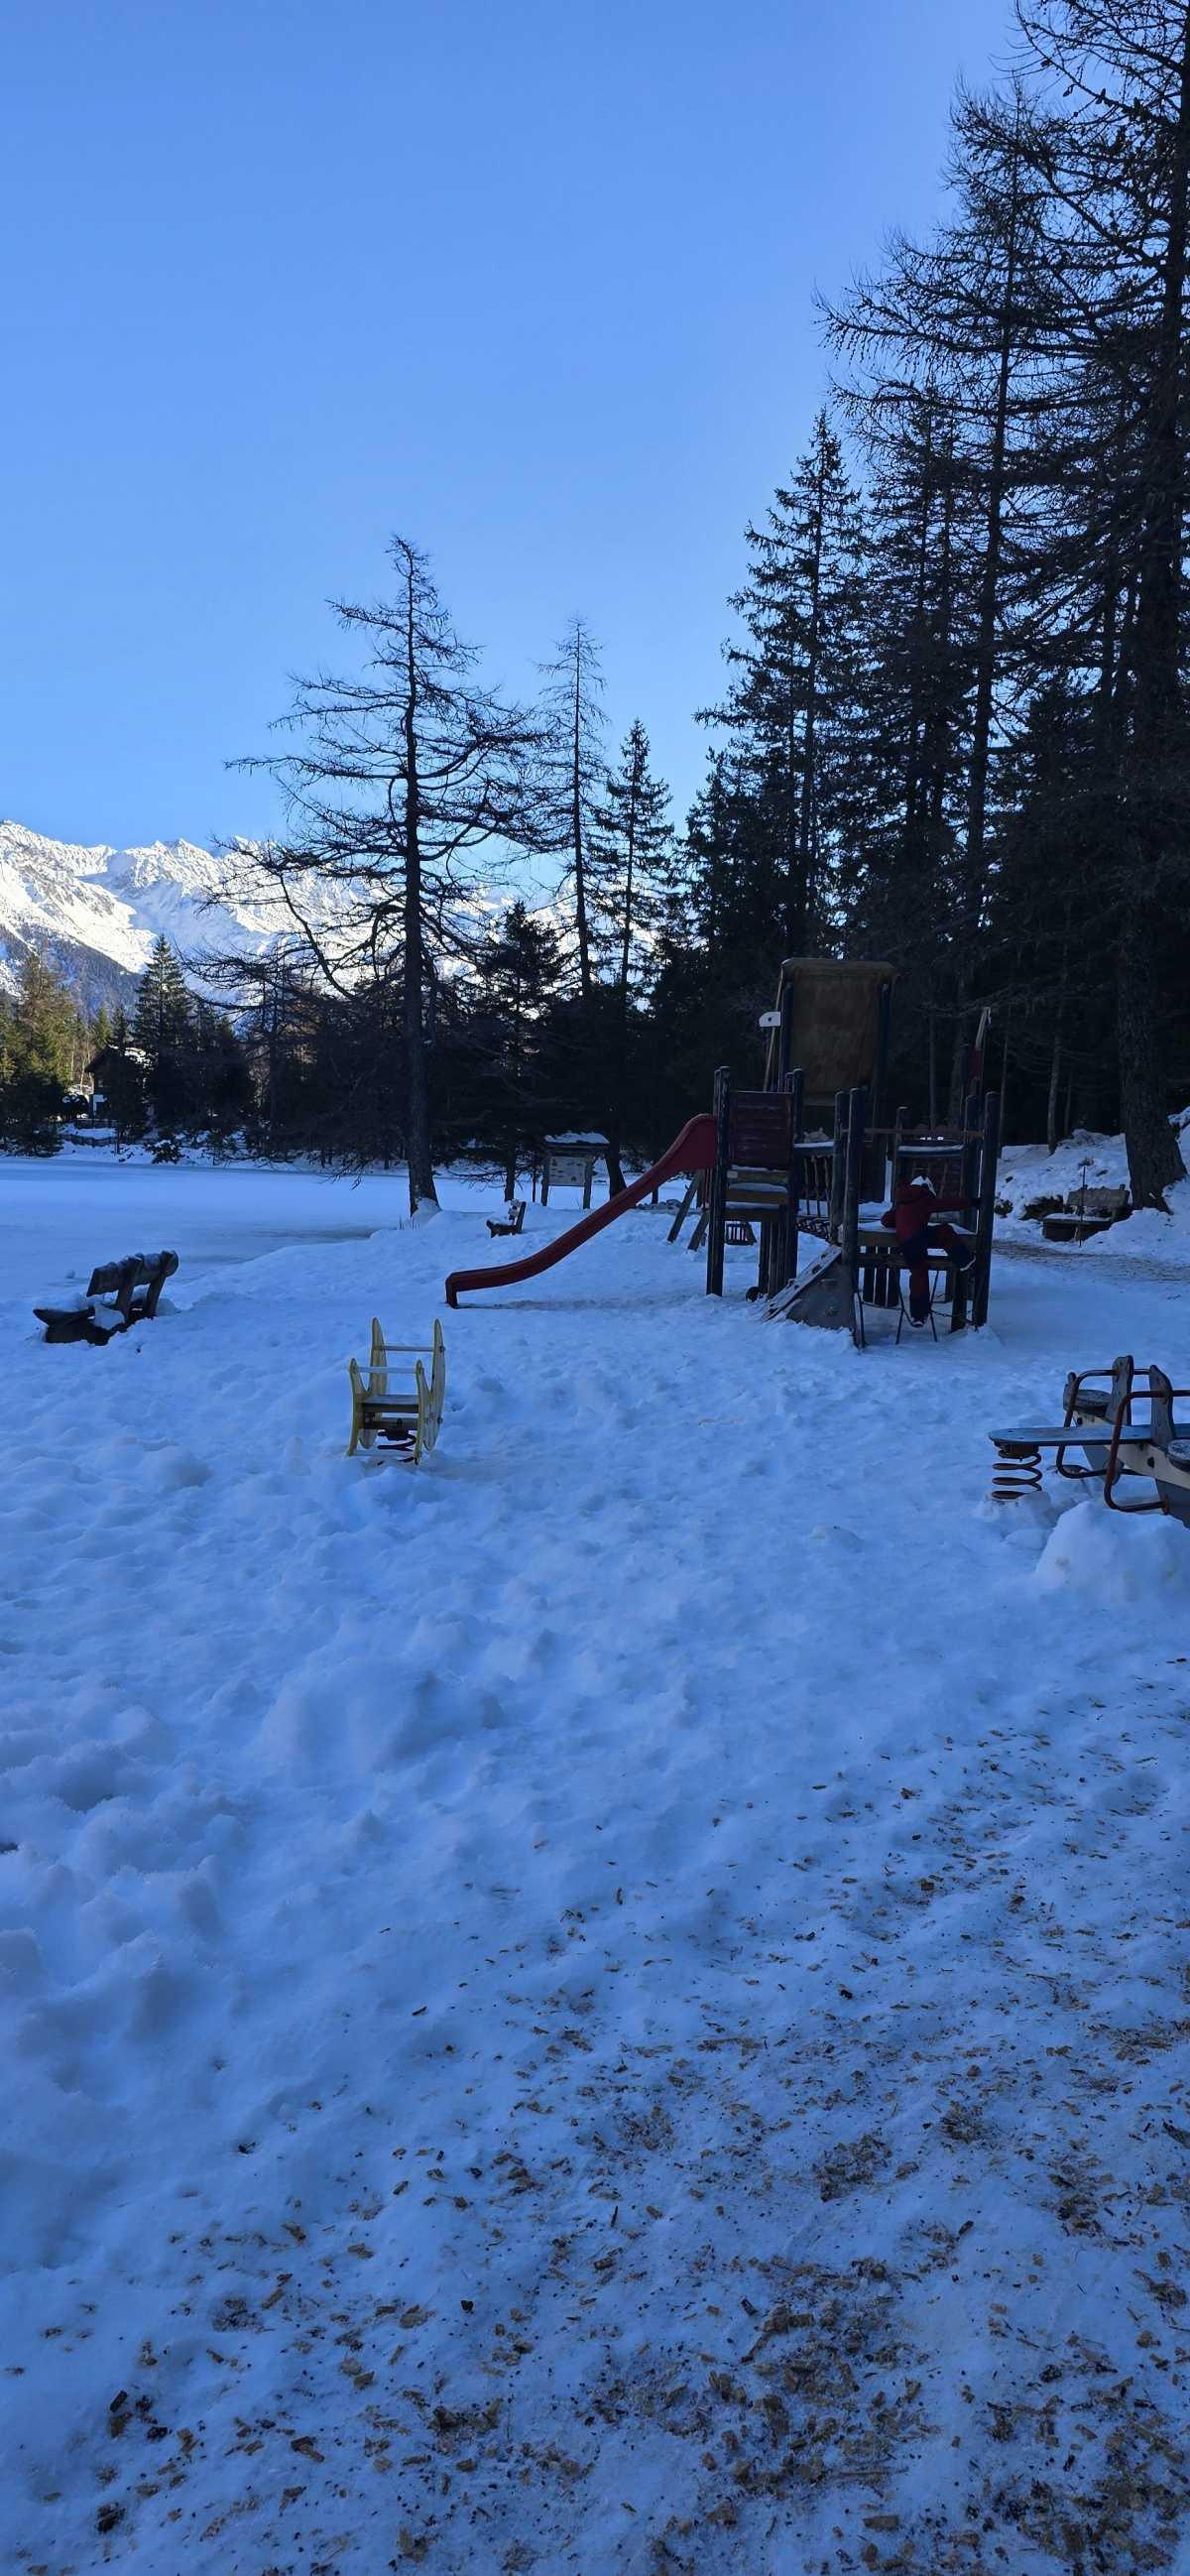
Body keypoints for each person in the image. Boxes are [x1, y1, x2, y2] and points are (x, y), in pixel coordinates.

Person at [882, 1170, 975, 1325]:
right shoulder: (924, 1197)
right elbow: (947, 1204)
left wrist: (900, 1219)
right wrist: (970, 1202)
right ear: (927, 1189)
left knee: (918, 1274)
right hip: (919, 1237)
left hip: (907, 1243)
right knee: (945, 1231)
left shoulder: (902, 1202)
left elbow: (885, 1220)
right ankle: (964, 1260)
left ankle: (918, 1315)